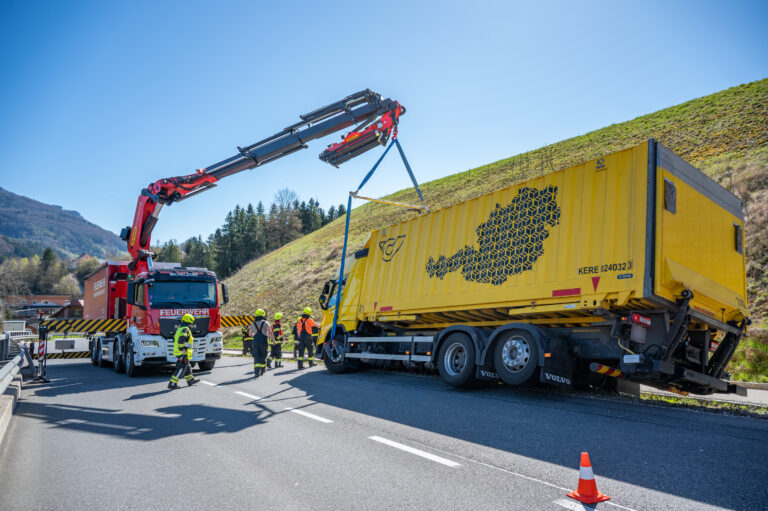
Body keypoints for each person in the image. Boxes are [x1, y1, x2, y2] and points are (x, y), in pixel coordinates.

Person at [168, 313, 199, 389]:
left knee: (187, 366)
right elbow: (181, 341)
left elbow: (174, 339)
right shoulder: (185, 329)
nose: (191, 324)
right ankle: (172, 384)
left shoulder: (180, 329)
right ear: (189, 321)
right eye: (191, 322)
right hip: (183, 353)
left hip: (181, 352)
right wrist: (184, 351)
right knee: (181, 368)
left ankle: (190, 380)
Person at [248, 309, 274, 377]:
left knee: (256, 357)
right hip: (263, 342)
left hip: (255, 342)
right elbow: (270, 332)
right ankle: (262, 370)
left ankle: (257, 372)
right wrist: (273, 341)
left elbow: (250, 334)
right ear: (263, 314)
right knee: (263, 356)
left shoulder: (253, 323)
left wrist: (254, 334)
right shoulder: (265, 322)